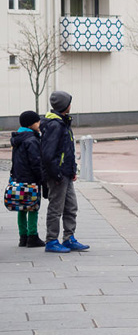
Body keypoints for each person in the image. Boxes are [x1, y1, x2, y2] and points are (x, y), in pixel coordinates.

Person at [39, 90, 89, 253]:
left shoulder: (63, 122)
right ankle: (51, 240)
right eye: (69, 102)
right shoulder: (55, 125)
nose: (70, 105)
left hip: (66, 173)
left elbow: (67, 151)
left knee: (71, 206)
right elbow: (48, 154)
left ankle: (68, 238)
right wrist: (56, 174)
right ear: (65, 105)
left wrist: (72, 169)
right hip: (58, 176)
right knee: (56, 207)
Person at [9, 110, 45, 248]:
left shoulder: (18, 138)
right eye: (37, 121)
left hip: (18, 178)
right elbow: (35, 162)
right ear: (31, 124)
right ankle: (33, 236)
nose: (39, 123)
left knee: (21, 207)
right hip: (31, 179)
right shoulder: (32, 140)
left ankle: (22, 237)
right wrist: (41, 178)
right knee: (33, 207)